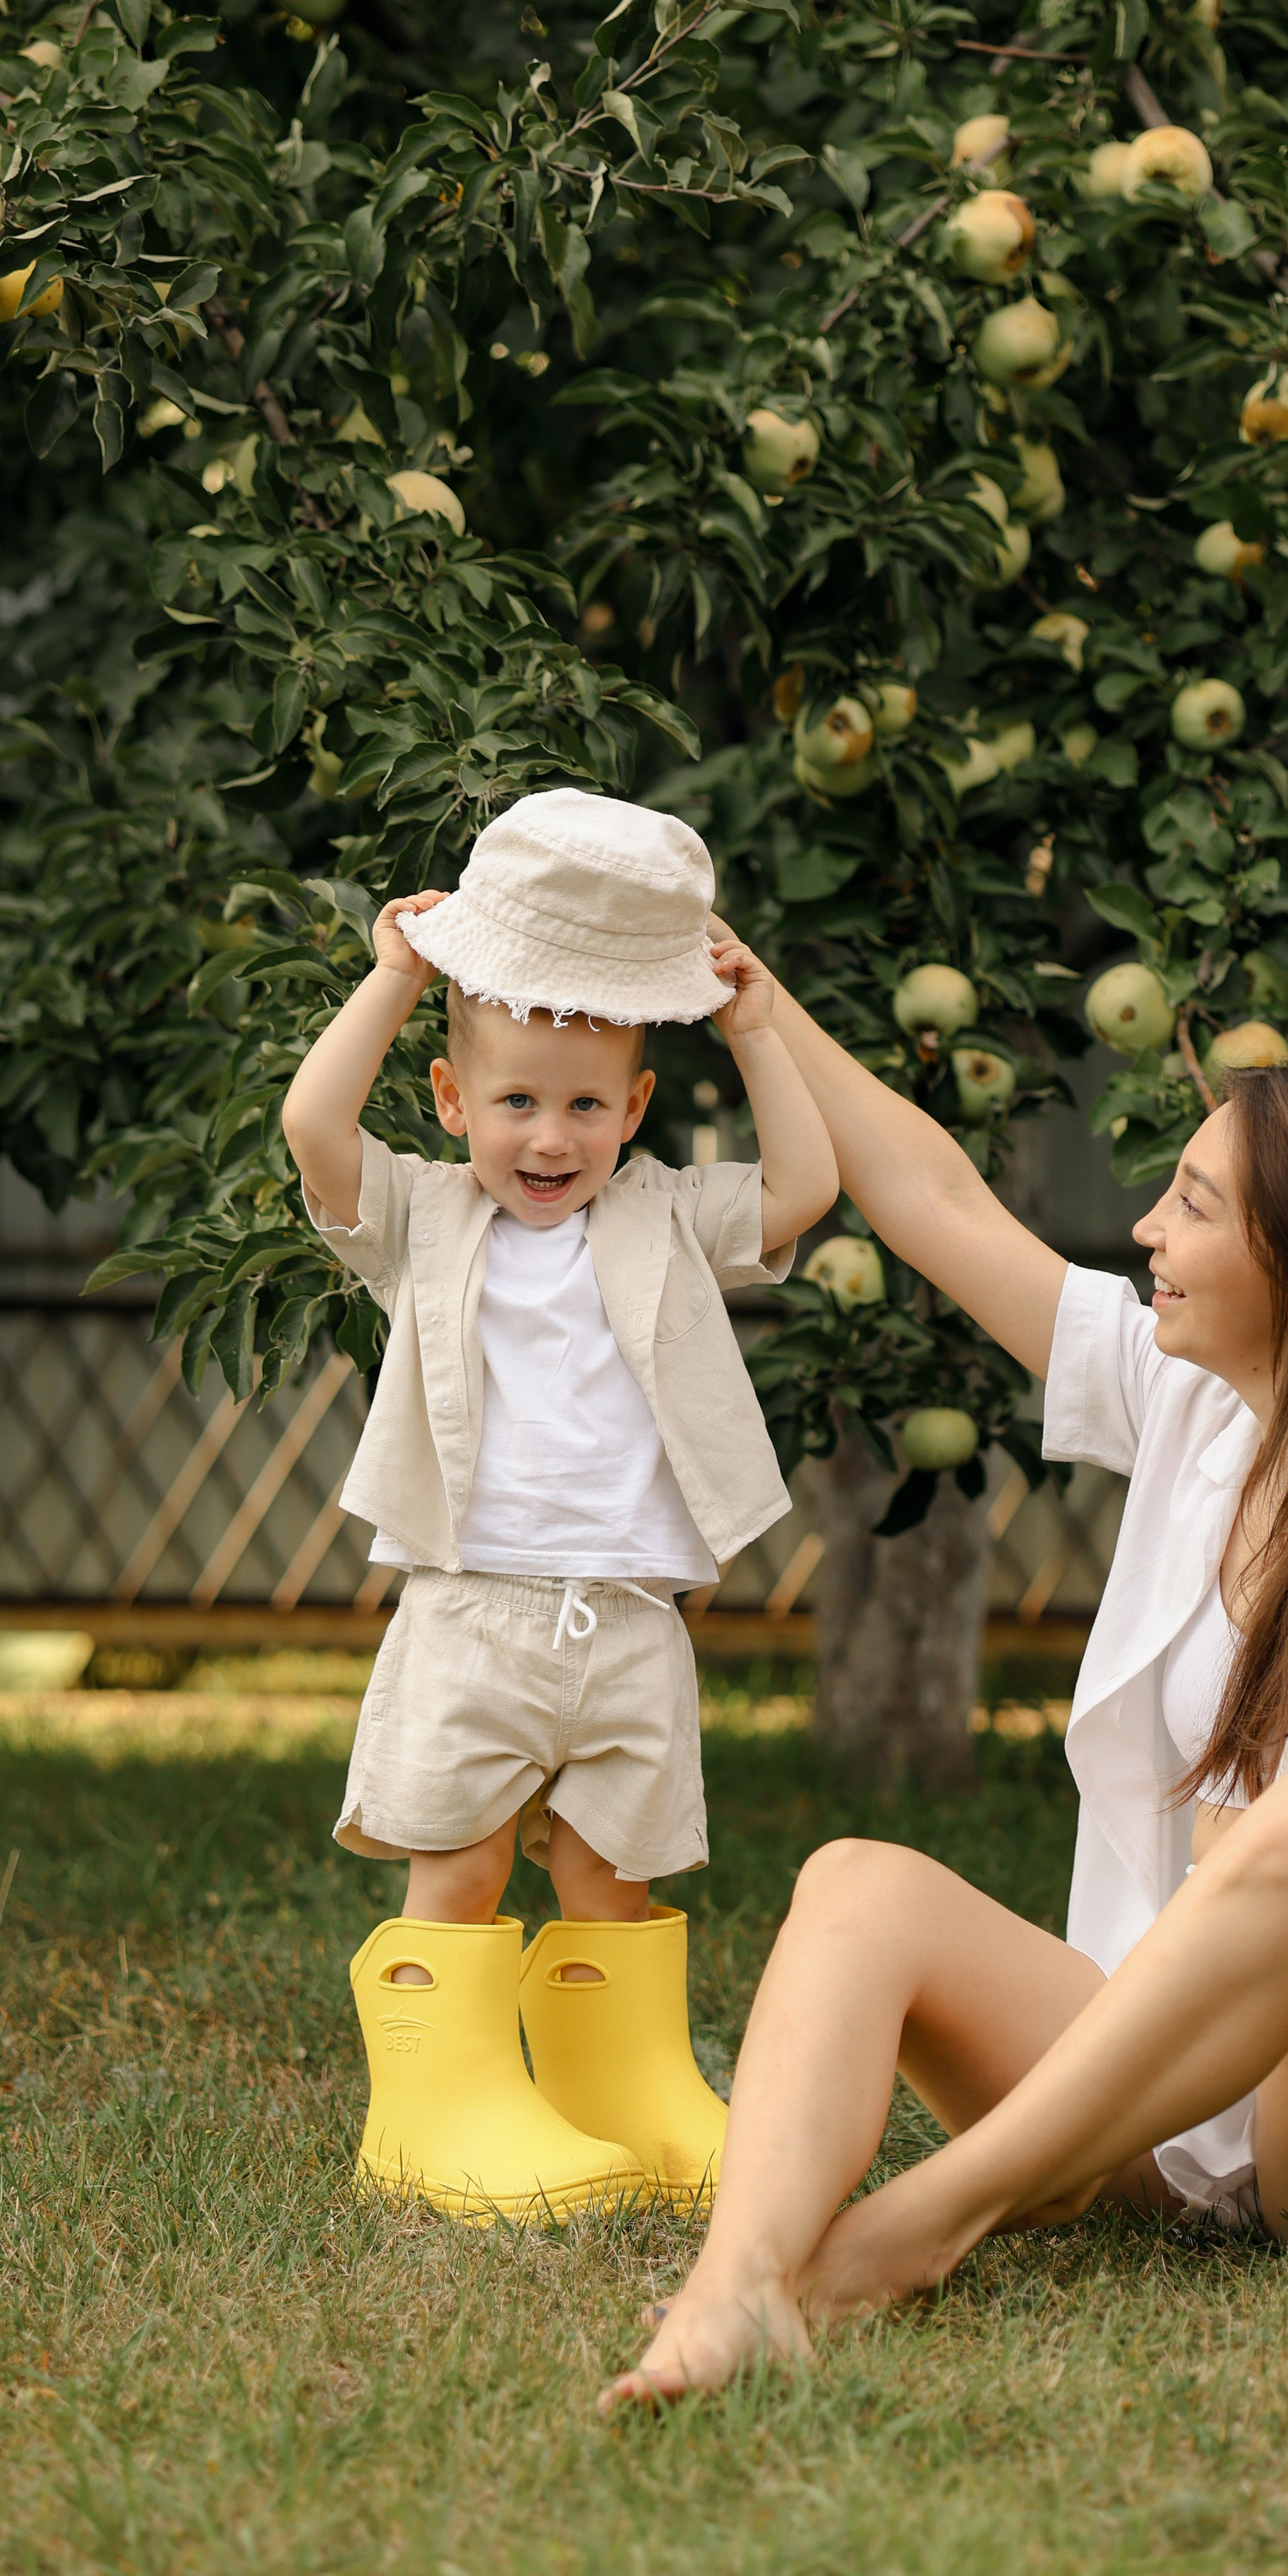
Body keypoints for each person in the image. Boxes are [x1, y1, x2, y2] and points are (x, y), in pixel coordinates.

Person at [601, 974, 1288, 2409]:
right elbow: (933, 1203)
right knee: (858, 1881)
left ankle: (905, 2232)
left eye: (1190, 1206)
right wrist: (749, 1000)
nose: (1143, 1233)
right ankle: (736, 2284)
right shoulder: (1197, 1404)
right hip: (1165, 2108)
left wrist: (1231, 1866)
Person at [281, 795, 837, 2224]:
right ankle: (434, 2112)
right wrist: (397, 973)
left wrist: (755, 1028)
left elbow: (802, 1188)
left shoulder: (658, 1212)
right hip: (476, 1610)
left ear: (635, 1110)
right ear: (455, 1104)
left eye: (587, 1105)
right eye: (516, 1102)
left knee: (613, 1871)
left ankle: (615, 2094)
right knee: (458, 1861)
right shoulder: (421, 1218)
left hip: (631, 1616)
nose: (550, 1136)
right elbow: (311, 1123)